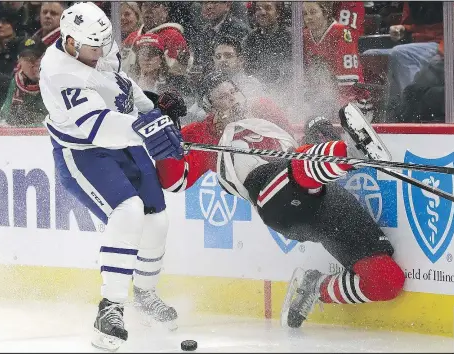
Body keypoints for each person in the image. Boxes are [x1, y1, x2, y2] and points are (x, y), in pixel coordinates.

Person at [154, 71, 405, 329]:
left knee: (386, 281)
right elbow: (175, 182)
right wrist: (164, 131)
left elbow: (294, 144)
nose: (232, 99)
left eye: (233, 92)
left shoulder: (261, 108)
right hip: (273, 201)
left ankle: (313, 288)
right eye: (222, 97)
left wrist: (314, 129)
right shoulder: (201, 133)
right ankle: (349, 152)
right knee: (292, 171)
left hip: (322, 193)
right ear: (209, 105)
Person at [38, 2, 184, 350]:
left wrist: (151, 105)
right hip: (84, 151)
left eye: (106, 44)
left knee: (156, 218)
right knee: (129, 211)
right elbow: (97, 128)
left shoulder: (96, 43)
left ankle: (145, 296)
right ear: (71, 43)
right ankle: (110, 308)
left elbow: (119, 83)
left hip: (124, 138)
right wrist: (144, 128)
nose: (102, 52)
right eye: (94, 47)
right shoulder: (59, 72)